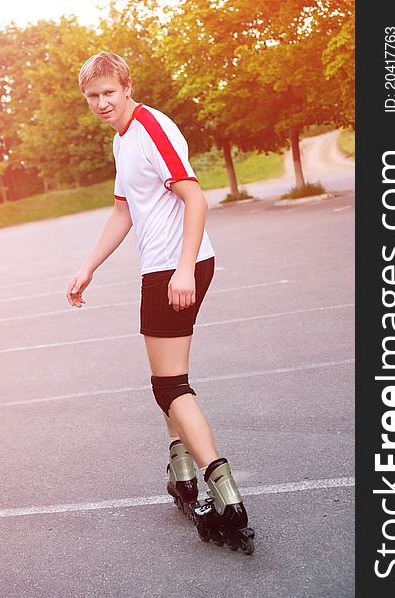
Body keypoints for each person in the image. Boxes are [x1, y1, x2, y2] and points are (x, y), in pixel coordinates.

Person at [66, 52, 254, 554]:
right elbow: (123, 212)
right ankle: (183, 473)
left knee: (171, 385)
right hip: (161, 269)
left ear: (126, 87)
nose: (102, 102)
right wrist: (89, 266)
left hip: (177, 268)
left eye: (109, 92)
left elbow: (195, 198)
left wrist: (185, 267)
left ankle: (224, 492)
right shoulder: (121, 138)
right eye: (93, 96)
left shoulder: (150, 127)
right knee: (165, 381)